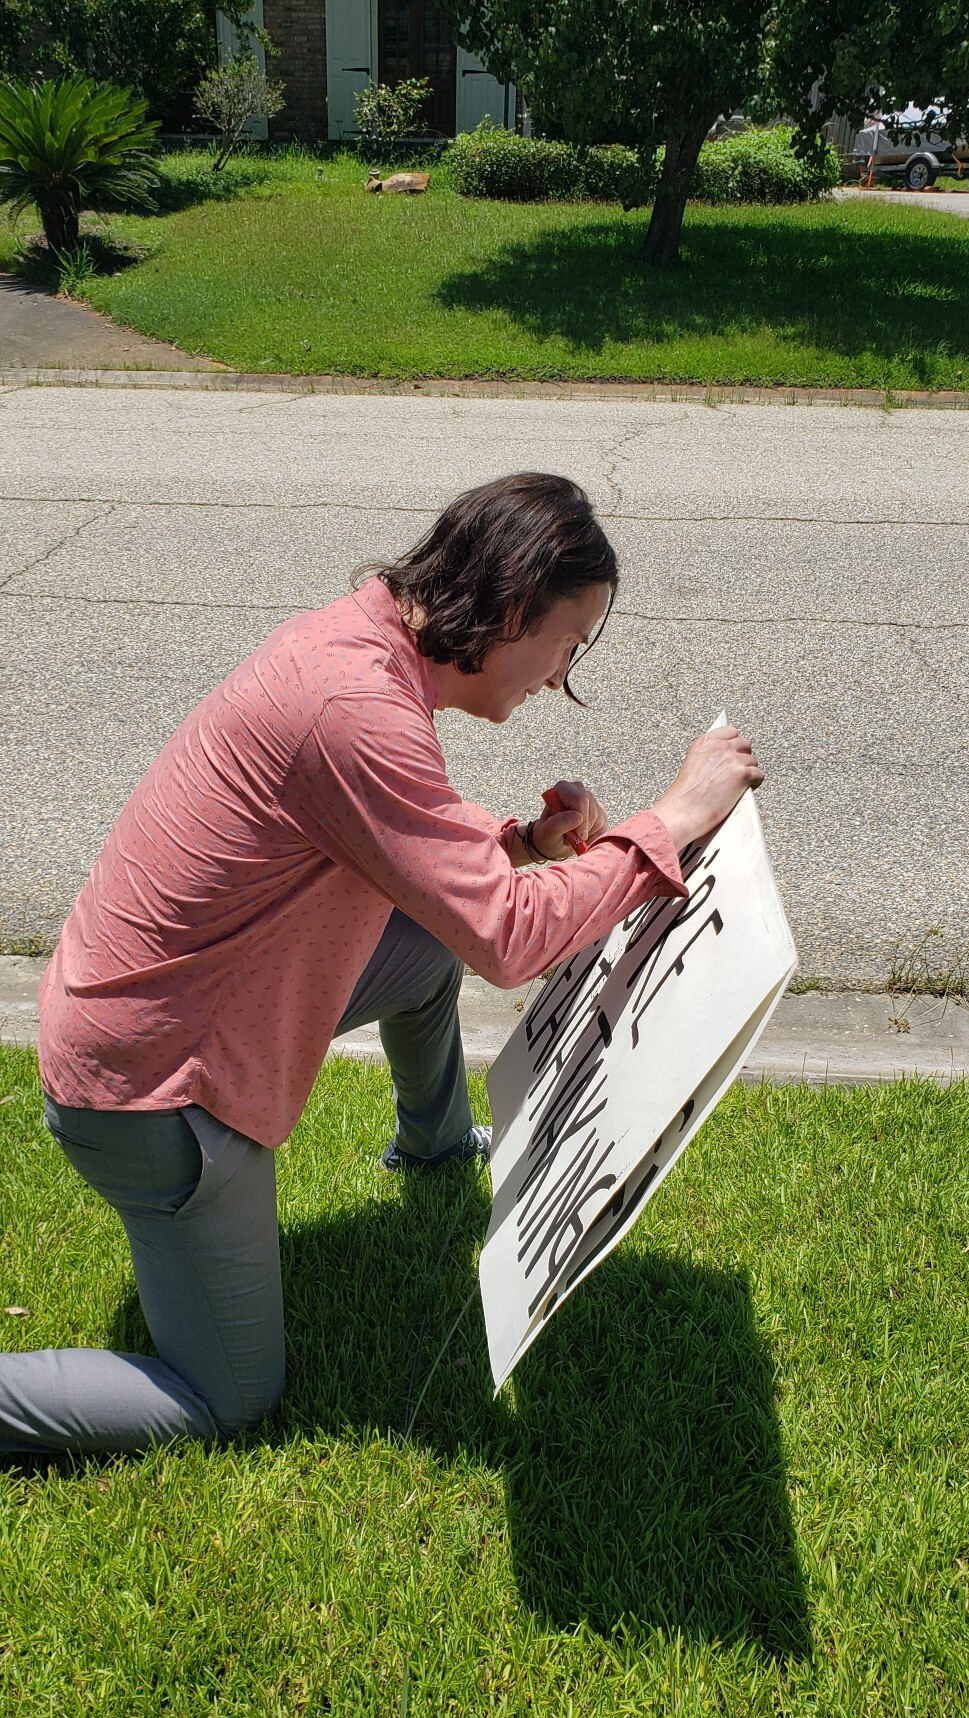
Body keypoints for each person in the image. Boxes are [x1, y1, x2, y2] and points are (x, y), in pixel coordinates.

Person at [1, 472, 763, 1457]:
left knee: (414, 954)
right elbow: (507, 940)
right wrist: (673, 821)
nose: (554, 681)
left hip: (179, 1001)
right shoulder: (352, 705)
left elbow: (394, 850)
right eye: (565, 649)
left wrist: (525, 843)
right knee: (223, 1398)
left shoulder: (360, 648)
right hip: (155, 1089)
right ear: (513, 608)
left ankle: (435, 1148)